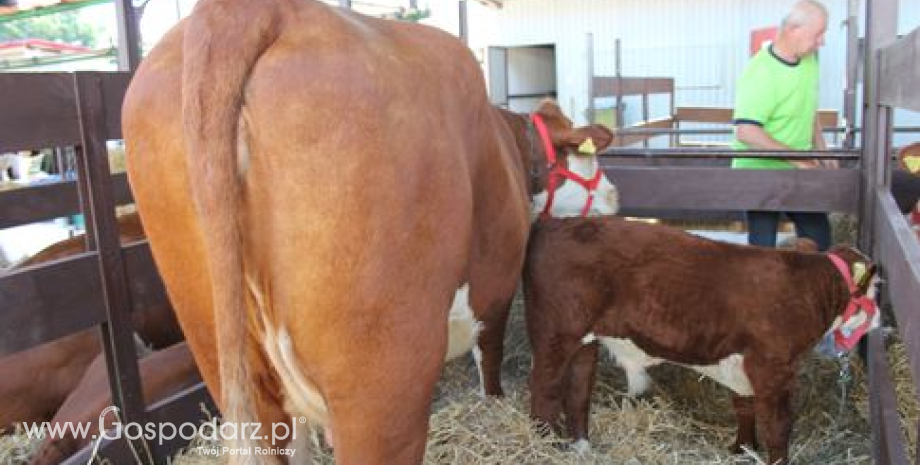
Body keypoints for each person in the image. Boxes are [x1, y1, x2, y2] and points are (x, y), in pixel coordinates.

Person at [732, 0, 833, 251]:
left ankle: (809, 288)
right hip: (759, 171)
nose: (822, 41)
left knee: (818, 237)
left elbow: (808, 109)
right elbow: (746, 131)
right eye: (818, 33)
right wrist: (798, 158)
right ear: (793, 30)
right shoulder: (760, 72)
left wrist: (822, 151)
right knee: (763, 249)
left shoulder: (810, 59)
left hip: (798, 167)